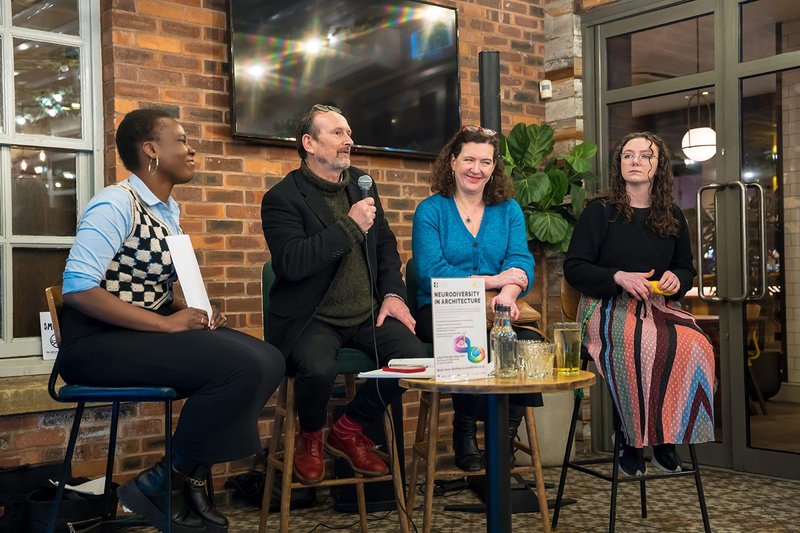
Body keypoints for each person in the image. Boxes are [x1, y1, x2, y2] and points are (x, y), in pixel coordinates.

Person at [59, 108, 285, 533]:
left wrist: (191, 306)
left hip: (139, 334)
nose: (191, 149)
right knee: (243, 365)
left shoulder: (167, 209)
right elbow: (78, 289)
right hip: (96, 344)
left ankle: (184, 481)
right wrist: (166, 324)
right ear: (151, 151)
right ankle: (163, 482)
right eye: (180, 140)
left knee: (268, 359)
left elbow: (148, 282)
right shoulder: (114, 203)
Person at [261, 104, 427, 484]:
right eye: (337, 133)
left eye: (348, 132)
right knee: (319, 369)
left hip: (366, 313)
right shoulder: (282, 198)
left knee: (416, 359)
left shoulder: (363, 184)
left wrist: (393, 295)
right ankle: (311, 439)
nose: (349, 140)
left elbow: (385, 248)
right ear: (309, 143)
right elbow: (292, 263)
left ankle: (348, 428)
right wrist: (350, 226)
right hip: (313, 316)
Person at [563, 131, 715, 476]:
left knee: (696, 346)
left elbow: (685, 268)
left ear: (658, 166)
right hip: (605, 306)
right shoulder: (599, 212)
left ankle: (665, 438)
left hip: (657, 307)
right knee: (643, 345)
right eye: (628, 155)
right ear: (619, 165)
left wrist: (678, 278)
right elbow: (575, 268)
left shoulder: (672, 214)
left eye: (645, 156)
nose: (635, 161)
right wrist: (618, 276)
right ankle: (629, 439)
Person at [412, 126, 541, 472]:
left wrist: (509, 294)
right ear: (452, 162)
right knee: (473, 338)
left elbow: (520, 260)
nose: (476, 168)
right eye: (469, 159)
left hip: (499, 309)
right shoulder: (431, 211)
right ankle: (465, 429)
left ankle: (503, 437)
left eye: (485, 162)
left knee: (524, 344)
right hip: (440, 308)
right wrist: (494, 281)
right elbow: (430, 272)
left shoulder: (508, 209)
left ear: (494, 166)